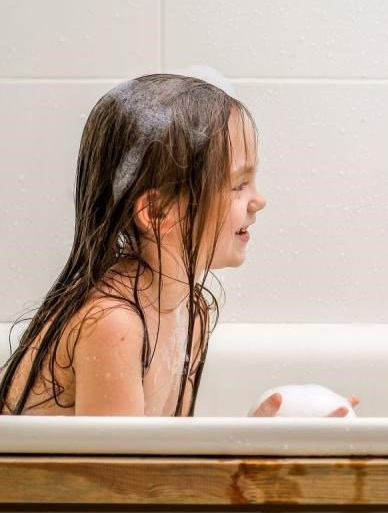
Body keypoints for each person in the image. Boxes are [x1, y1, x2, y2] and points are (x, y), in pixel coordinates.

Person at [0, 73, 354, 417]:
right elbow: (116, 461)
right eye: (238, 185)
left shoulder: (191, 311)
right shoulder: (114, 325)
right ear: (157, 212)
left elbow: (168, 451)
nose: (258, 200)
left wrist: (256, 439)